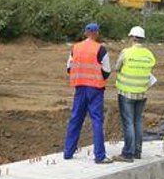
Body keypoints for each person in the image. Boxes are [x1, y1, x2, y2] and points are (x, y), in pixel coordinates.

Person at [64, 22, 113, 164]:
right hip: (95, 89)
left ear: (85, 33)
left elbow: (69, 68)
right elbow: (107, 71)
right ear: (97, 33)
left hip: (80, 88)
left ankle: (68, 152)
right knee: (97, 120)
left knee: (75, 119)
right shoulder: (100, 49)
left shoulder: (75, 48)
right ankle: (100, 156)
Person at [114, 25, 156, 162]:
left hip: (126, 93)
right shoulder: (149, 55)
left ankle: (128, 153)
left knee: (128, 123)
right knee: (137, 121)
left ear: (132, 37)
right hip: (142, 93)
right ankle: (137, 151)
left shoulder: (126, 52)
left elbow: (117, 67)